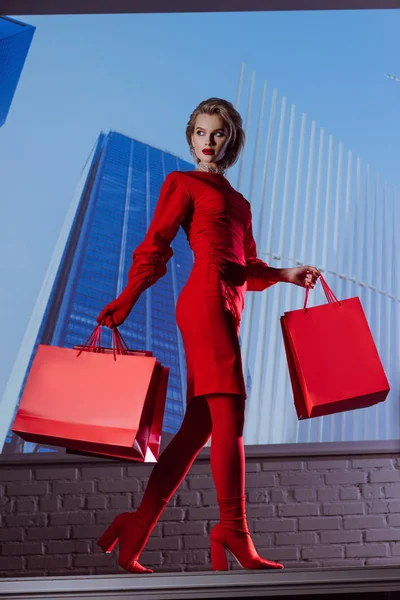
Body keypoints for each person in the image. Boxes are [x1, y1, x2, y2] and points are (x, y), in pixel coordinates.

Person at [96, 98, 321, 574]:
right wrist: (128, 297)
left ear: (230, 140)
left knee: (199, 424)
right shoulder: (183, 183)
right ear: (190, 136)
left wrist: (285, 273)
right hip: (204, 300)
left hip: (228, 303)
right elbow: (155, 244)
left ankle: (137, 525)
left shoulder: (239, 203)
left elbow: (247, 268)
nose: (208, 141)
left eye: (217, 133)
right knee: (231, 409)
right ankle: (233, 530)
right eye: (200, 132)